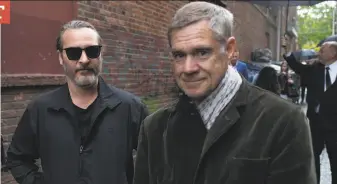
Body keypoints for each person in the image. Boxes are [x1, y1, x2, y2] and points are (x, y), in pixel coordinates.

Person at [133, 2, 316, 184]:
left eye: (202, 52)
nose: (188, 68)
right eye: (179, 55)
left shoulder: (283, 121)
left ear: (229, 49)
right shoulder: (155, 128)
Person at [6, 20, 149, 184]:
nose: (84, 59)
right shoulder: (40, 109)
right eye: (74, 52)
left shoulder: (131, 108)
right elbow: (17, 158)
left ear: (101, 54)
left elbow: (158, 161)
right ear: (61, 57)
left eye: (92, 51)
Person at [284, 41, 337, 184]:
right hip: (315, 123)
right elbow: (296, 66)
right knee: (313, 158)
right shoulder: (314, 68)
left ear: (333, 53)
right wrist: (291, 53)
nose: (319, 52)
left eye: (323, 50)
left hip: (334, 125)